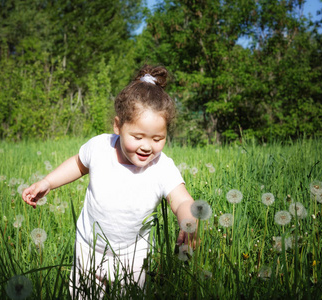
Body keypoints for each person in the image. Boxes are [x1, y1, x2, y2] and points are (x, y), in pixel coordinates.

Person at [22, 65, 196, 298]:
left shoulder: (161, 167)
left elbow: (181, 200)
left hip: (134, 257)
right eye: (137, 137)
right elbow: (78, 164)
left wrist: (188, 221)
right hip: (88, 250)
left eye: (158, 138)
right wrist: (48, 182)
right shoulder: (100, 148)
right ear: (118, 126)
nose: (147, 146)